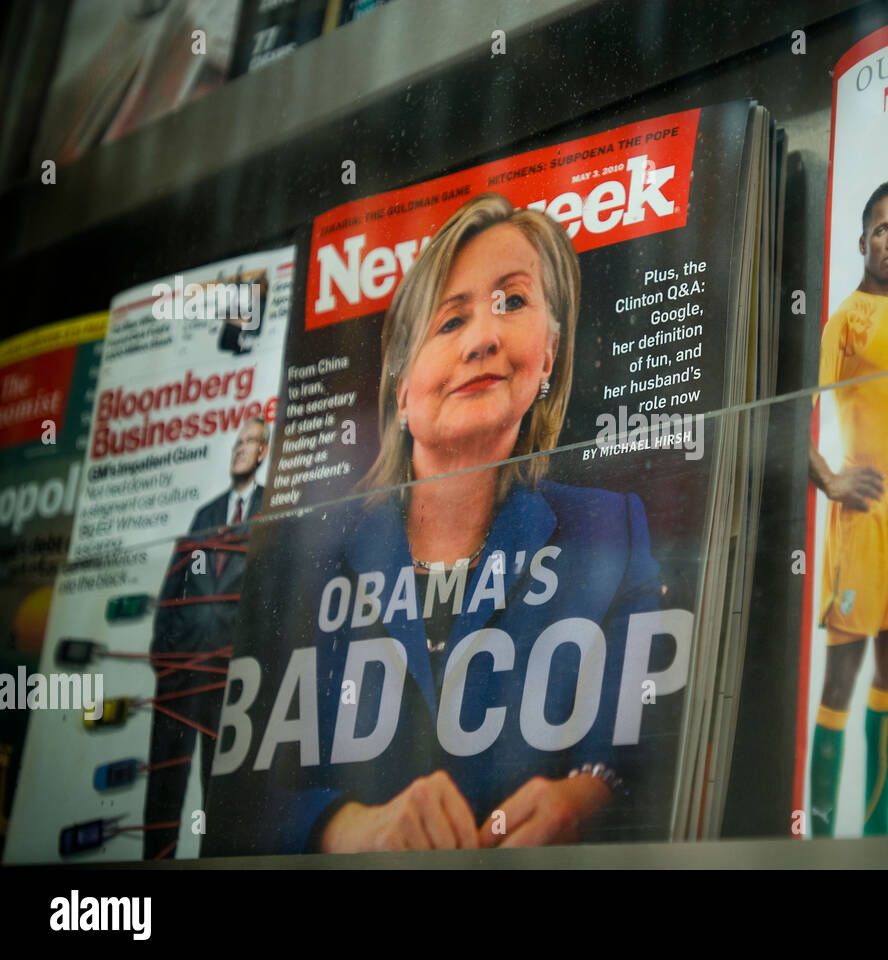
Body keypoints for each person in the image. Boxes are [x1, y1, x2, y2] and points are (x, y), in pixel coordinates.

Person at [204, 193, 679, 855]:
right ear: (401, 389)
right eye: (450, 321)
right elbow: (228, 799)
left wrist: (587, 794)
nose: (484, 336)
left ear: (548, 355)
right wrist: (344, 828)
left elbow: (648, 746)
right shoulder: (299, 552)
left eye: (513, 302)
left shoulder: (609, 530)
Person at [807, 180, 888, 836]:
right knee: (843, 674)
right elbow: (790, 418)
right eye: (880, 230)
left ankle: (877, 830)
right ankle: (822, 837)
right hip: (864, 518)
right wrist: (830, 480)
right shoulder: (844, 322)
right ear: (862, 241)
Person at [145, 416, 268, 858]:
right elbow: (173, 588)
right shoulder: (205, 514)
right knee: (164, 783)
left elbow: (273, 592)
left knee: (219, 787)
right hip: (180, 673)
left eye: (250, 442)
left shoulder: (272, 510)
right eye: (237, 441)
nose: (240, 448)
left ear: (263, 454)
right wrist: (164, 655)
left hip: (228, 676)